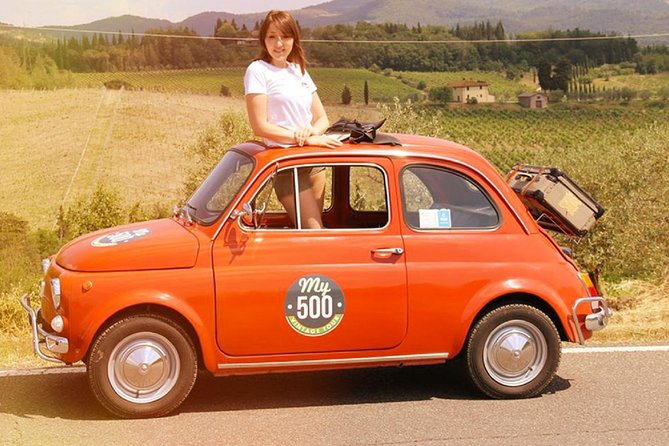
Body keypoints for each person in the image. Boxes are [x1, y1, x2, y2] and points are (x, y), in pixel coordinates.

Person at [244, 10, 341, 229]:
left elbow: (322, 118)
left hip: (314, 163)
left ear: (294, 39)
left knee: (313, 236)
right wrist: (304, 139)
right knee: (315, 234)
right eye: (272, 37)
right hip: (288, 166)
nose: (279, 43)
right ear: (263, 40)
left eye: (285, 36)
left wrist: (312, 134)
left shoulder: (299, 71)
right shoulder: (257, 70)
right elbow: (260, 126)